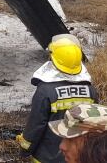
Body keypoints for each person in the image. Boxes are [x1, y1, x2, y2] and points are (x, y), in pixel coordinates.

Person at [17, 34, 98, 163]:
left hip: (46, 158)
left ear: (53, 58)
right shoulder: (90, 91)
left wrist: (24, 150)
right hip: (77, 157)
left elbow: (36, 126)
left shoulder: (45, 91)